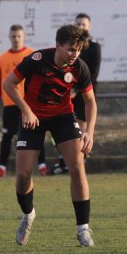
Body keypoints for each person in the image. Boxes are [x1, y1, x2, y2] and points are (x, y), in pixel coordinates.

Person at [3, 24, 97, 247]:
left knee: (77, 166)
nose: (75, 54)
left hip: (63, 117)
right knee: (24, 174)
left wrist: (89, 132)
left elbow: (90, 101)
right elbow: (9, 84)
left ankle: (83, 229)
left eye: (79, 50)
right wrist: (26, 110)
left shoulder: (80, 68)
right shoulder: (36, 60)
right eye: (71, 49)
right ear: (58, 46)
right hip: (32, 118)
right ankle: (28, 214)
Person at [0, 24, 47, 178]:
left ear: (24, 37)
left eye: (19, 36)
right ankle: (1, 168)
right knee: (7, 136)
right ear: (9, 37)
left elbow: (40, 80)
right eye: (13, 36)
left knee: (36, 133)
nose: (16, 39)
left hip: (28, 104)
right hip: (9, 104)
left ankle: (42, 166)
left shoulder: (31, 55)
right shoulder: (2, 58)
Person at [48, 13, 101, 175]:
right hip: (68, 93)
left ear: (89, 27)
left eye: (83, 24)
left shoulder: (94, 47)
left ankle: (80, 161)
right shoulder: (68, 46)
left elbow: (92, 73)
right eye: (78, 24)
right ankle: (65, 162)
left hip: (84, 93)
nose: (81, 27)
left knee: (81, 129)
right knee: (68, 128)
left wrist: (76, 90)